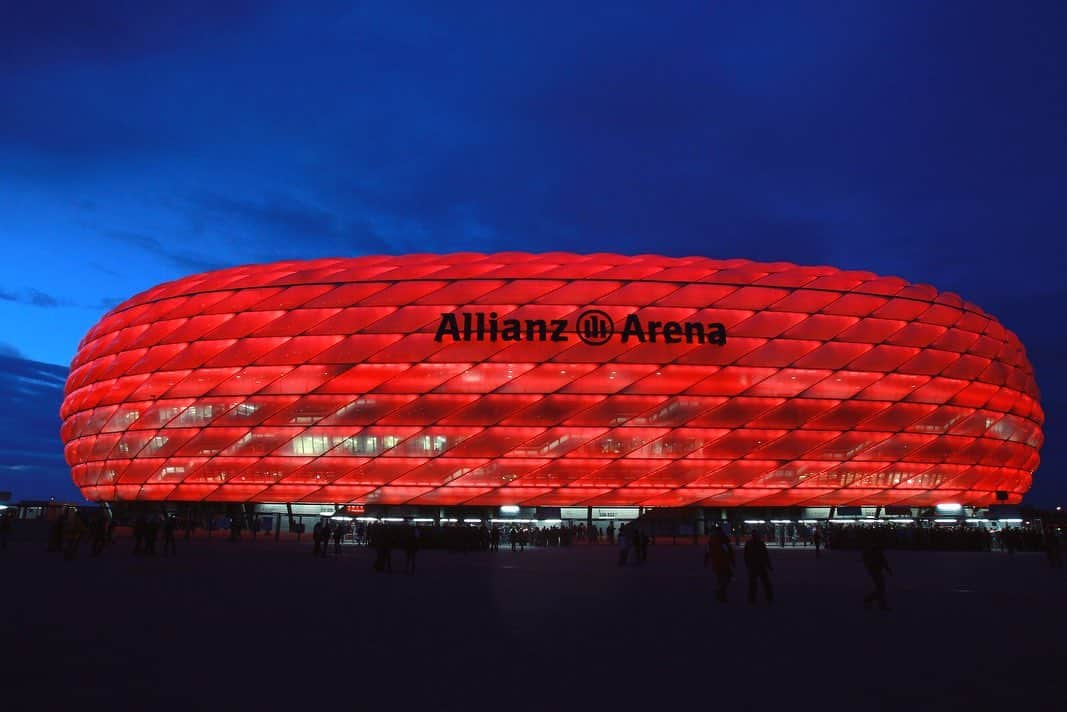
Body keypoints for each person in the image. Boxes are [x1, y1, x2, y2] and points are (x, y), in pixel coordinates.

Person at [744, 531, 774, 605]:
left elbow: (746, 556)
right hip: (760, 565)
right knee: (765, 582)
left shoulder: (749, 544)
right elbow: (765, 555)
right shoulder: (761, 543)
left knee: (753, 583)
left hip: (753, 566)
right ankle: (769, 596)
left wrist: (748, 564)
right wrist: (769, 565)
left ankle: (752, 598)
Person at [862, 541, 893, 611]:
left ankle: (870, 600)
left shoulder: (876, 553)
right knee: (881, 589)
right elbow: (882, 562)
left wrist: (888, 570)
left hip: (876, 572)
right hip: (875, 572)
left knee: (881, 588)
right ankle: (880, 604)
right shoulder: (875, 553)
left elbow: (883, 562)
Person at [706, 527, 734, 603]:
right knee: (727, 577)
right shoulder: (723, 539)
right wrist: (732, 560)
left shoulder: (711, 539)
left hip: (715, 562)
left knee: (719, 578)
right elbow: (728, 550)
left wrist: (707, 560)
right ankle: (720, 592)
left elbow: (708, 551)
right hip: (723, 562)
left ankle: (721, 595)